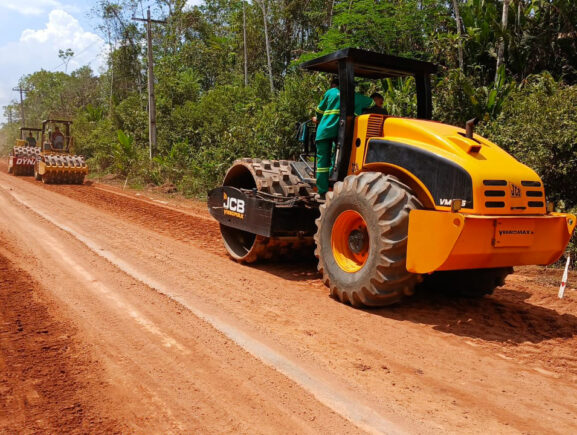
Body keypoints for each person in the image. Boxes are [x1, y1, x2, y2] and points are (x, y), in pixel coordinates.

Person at [313, 77, 340, 199]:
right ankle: (333, 179)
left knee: (322, 162)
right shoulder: (352, 96)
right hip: (339, 132)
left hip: (324, 131)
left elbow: (319, 110)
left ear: (333, 85)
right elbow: (371, 103)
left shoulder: (331, 92)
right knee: (336, 157)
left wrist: (317, 119)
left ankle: (322, 190)